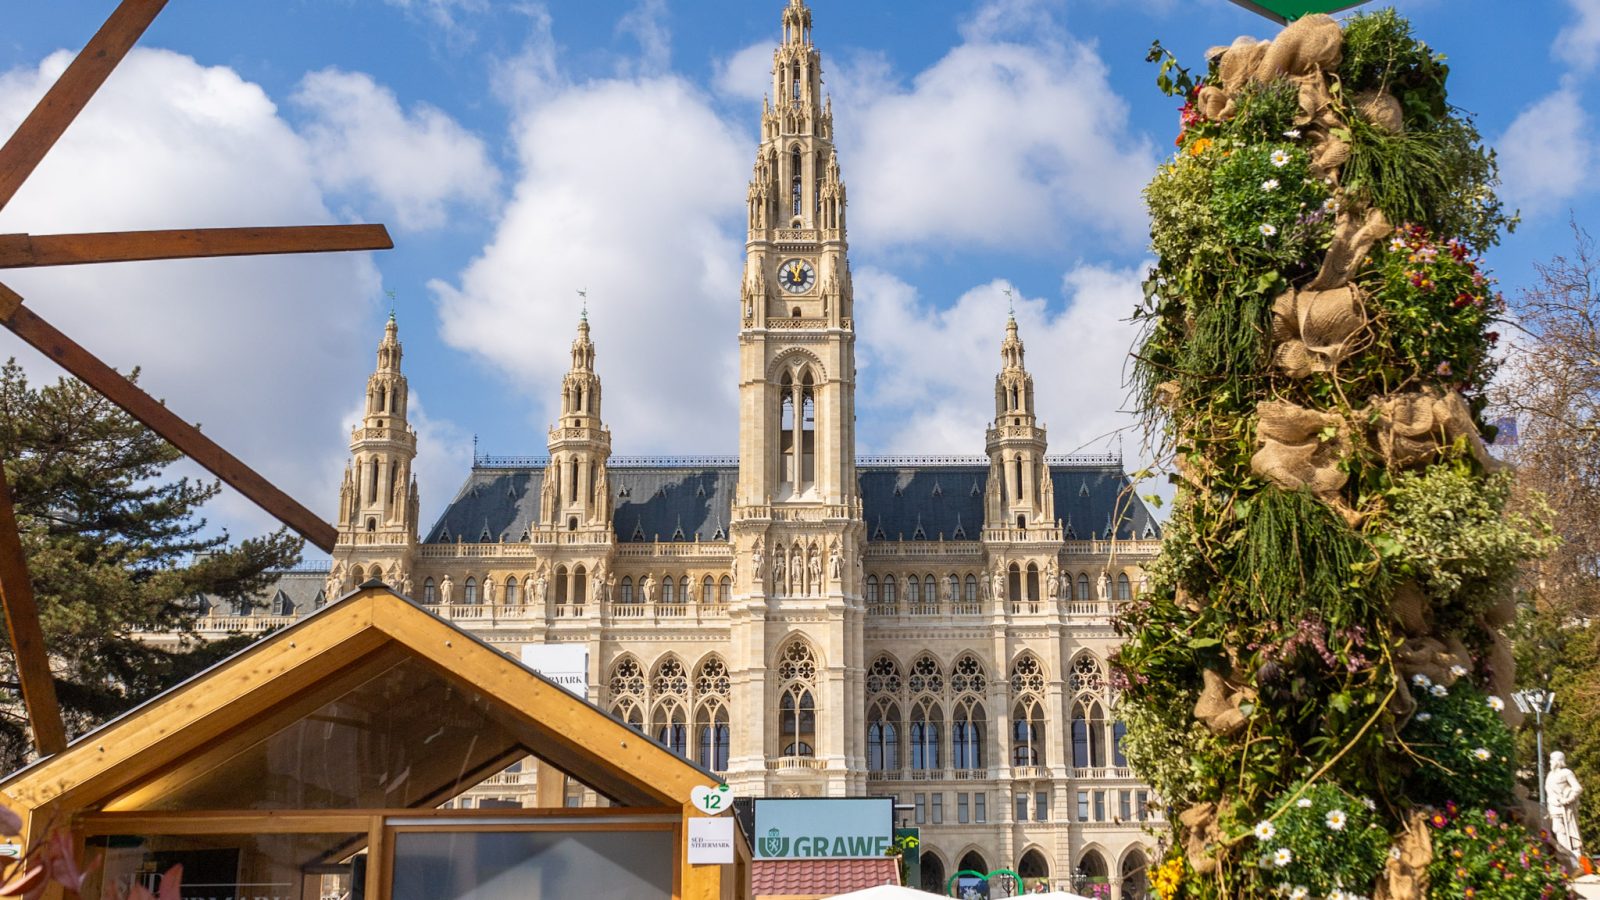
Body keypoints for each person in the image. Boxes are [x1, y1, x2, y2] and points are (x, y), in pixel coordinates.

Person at [1547, 750, 1586, 868]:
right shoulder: (1550, 775)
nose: (1550, 762)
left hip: (1565, 808)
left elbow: (1577, 788)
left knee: (1567, 831)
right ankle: (1566, 855)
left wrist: (1568, 799)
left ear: (1558, 761)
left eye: (1552, 759)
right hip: (1553, 807)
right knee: (1557, 830)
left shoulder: (1566, 773)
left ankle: (1571, 856)